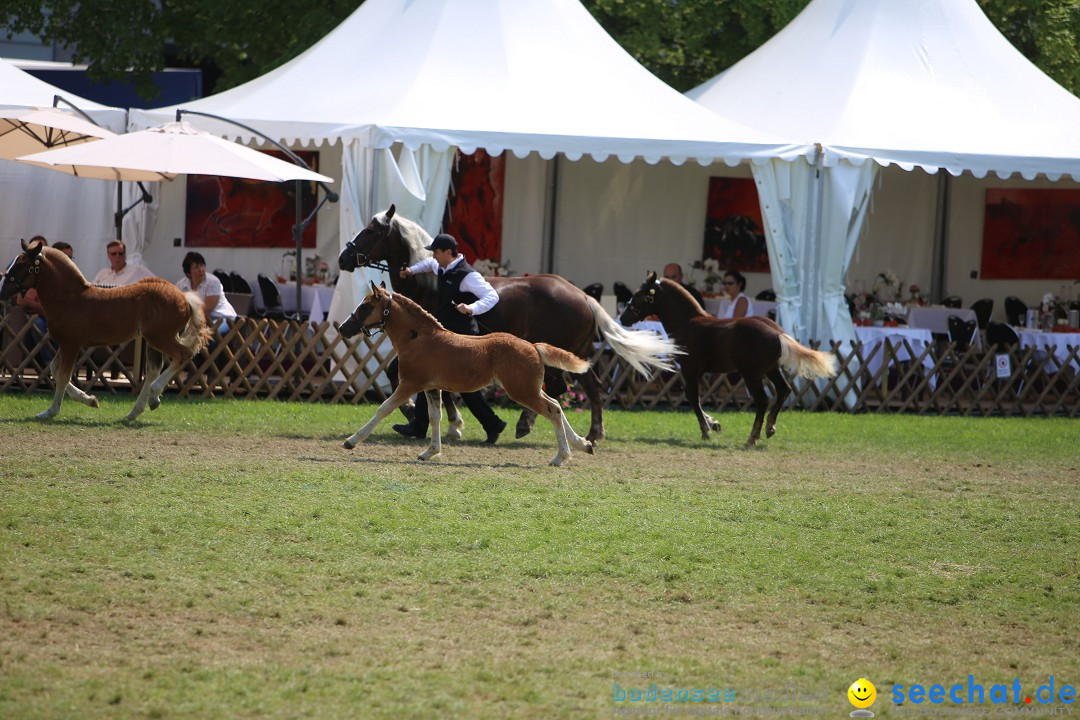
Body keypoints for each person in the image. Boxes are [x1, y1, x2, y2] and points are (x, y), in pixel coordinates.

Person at [391, 233, 508, 444]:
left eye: (436, 251)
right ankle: (419, 426)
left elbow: (492, 296)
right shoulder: (442, 266)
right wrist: (411, 271)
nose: (433, 255)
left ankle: (492, 424)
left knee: (466, 387)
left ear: (448, 252)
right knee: (427, 376)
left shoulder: (468, 275)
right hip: (445, 337)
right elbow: (428, 264)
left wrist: (471, 308)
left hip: (463, 337)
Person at [176, 251, 238, 334]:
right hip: (197, 320)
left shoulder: (213, 282)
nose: (201, 269)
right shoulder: (181, 284)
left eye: (202, 265)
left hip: (223, 318)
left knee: (206, 336)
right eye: (196, 267)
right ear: (188, 273)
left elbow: (207, 309)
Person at [15, 236, 54, 364]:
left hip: (57, 315)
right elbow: (22, 300)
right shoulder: (28, 270)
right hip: (36, 316)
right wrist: (43, 308)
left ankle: (65, 363)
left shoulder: (51, 272)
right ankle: (50, 363)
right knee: (38, 323)